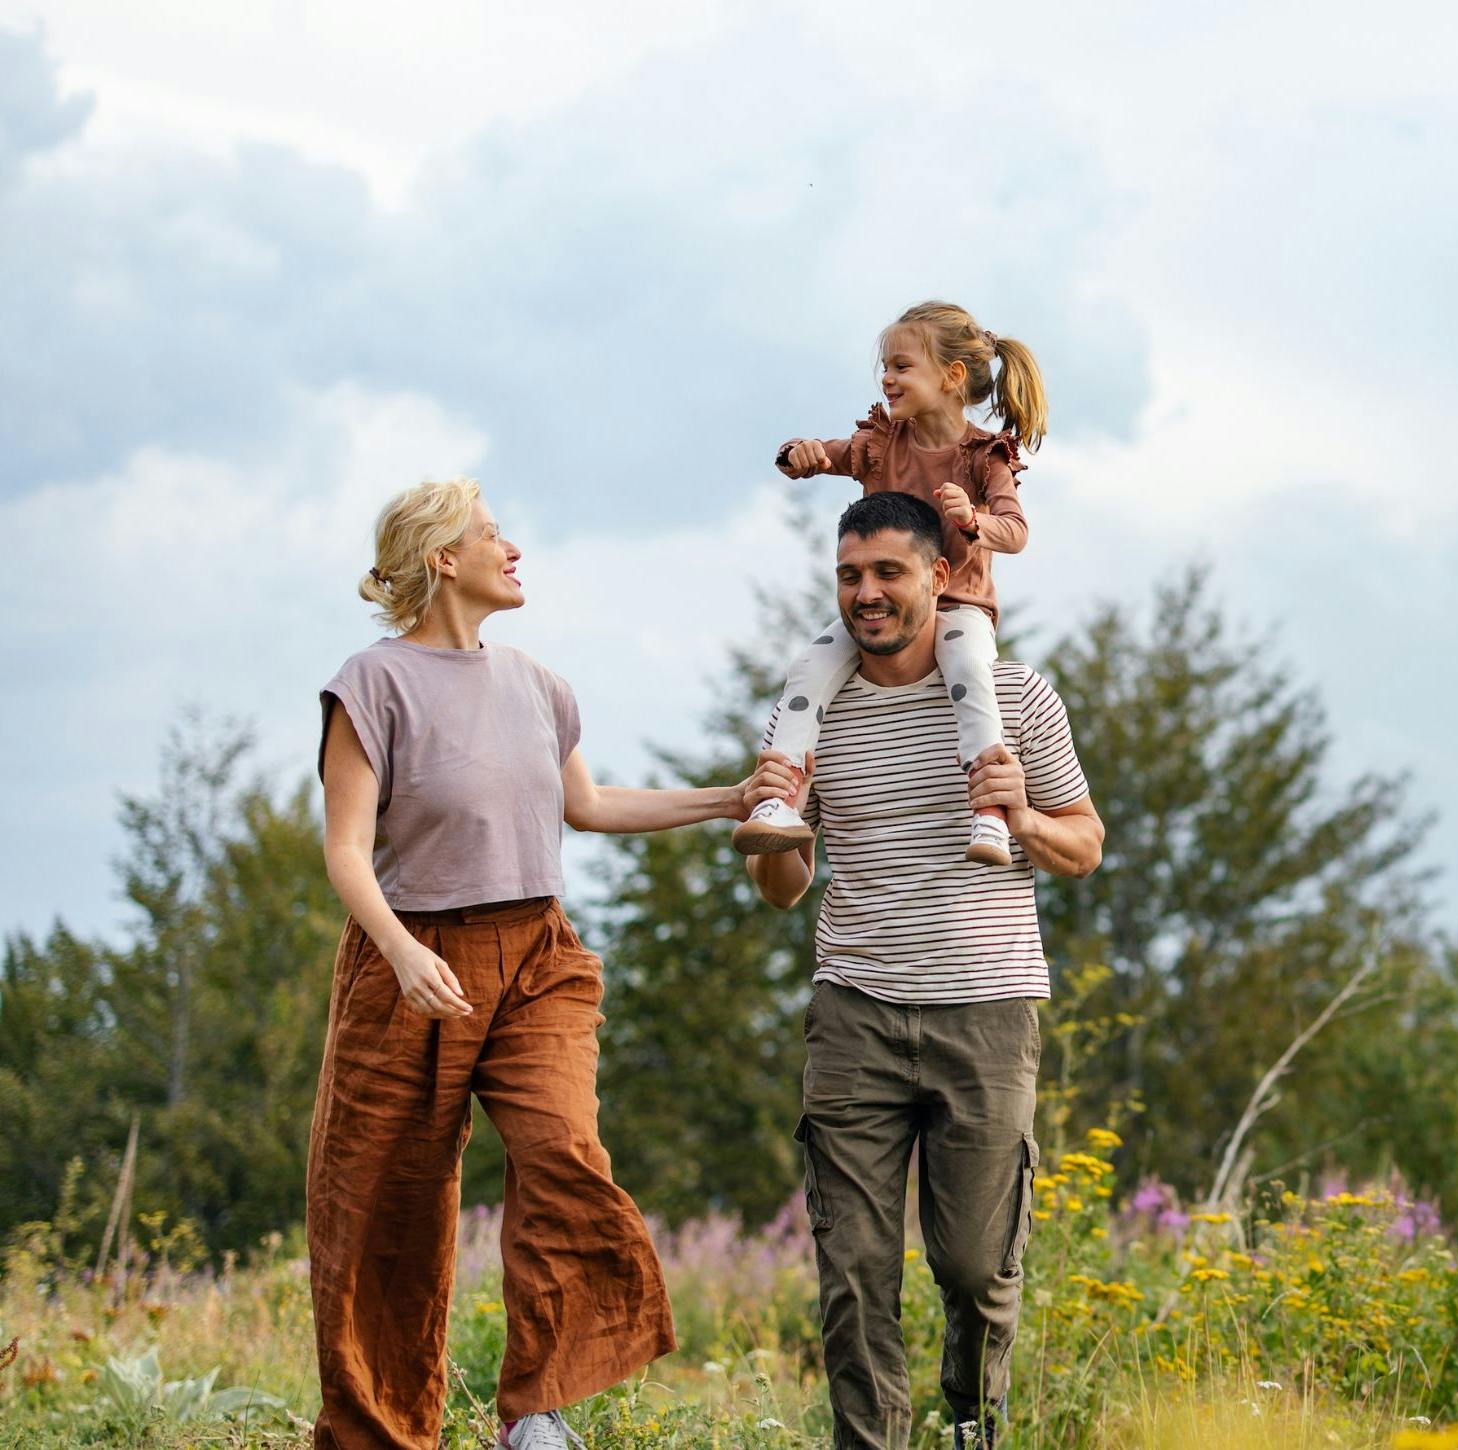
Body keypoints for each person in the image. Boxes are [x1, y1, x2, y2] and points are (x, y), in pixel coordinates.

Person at [310, 477, 795, 1450]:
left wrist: (731, 795)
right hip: (411, 958)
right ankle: (379, 1433)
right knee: (380, 1207)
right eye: (494, 535)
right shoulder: (372, 682)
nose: (513, 548)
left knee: (563, 1153)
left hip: (537, 953)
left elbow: (592, 805)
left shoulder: (539, 683)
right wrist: (402, 953)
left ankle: (536, 1412)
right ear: (444, 557)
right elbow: (346, 849)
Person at [746, 491, 1104, 1449]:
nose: (866, 594)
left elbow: (1084, 845)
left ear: (939, 579)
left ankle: (970, 1423)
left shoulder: (1015, 699)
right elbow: (781, 887)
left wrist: (1022, 819)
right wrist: (786, 806)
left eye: (887, 573)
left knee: (974, 1262)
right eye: (849, 575)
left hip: (984, 1011)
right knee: (854, 1267)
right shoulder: (809, 709)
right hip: (853, 1009)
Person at [735, 300, 1048, 868]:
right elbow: (824, 455)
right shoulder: (884, 442)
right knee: (809, 666)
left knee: (970, 670)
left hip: (960, 606)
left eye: (902, 366)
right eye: (885, 366)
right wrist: (799, 455)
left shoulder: (983, 456)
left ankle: (991, 811)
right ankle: (779, 800)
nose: (887, 378)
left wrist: (974, 521)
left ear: (951, 376)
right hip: (888, 612)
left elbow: (1017, 531)